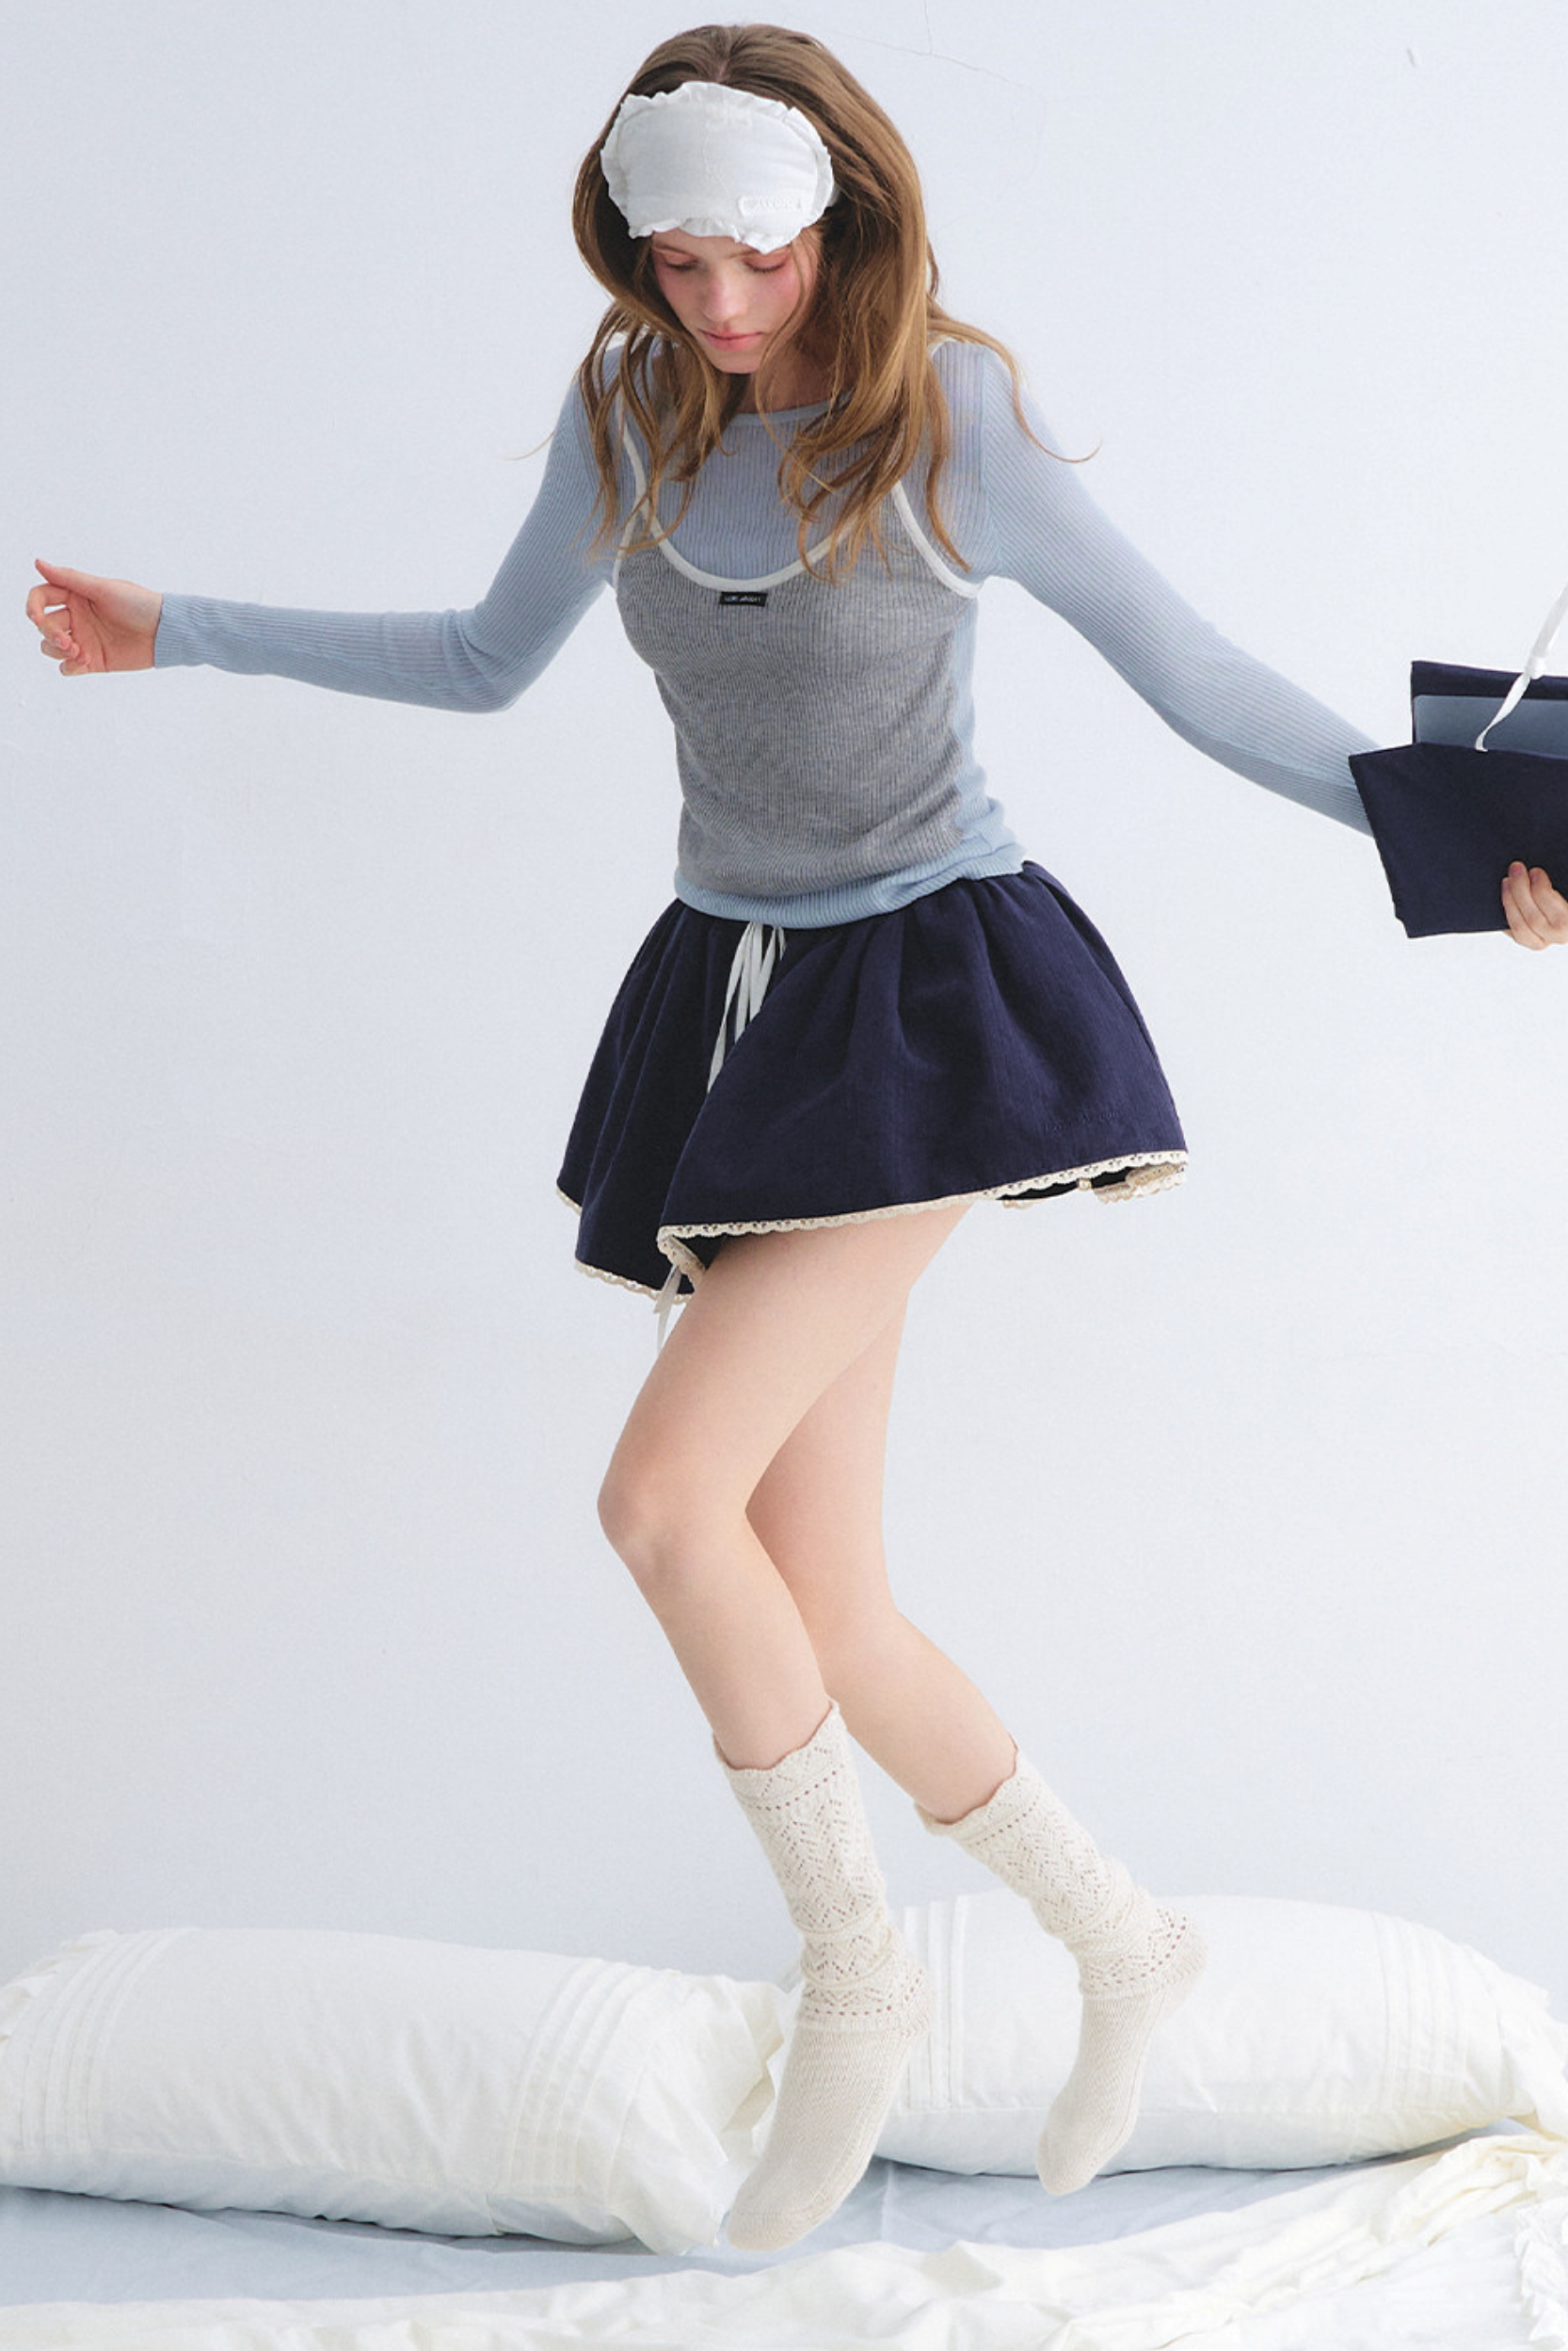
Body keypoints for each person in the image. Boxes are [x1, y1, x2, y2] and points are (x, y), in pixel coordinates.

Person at [25, 21, 1568, 2258]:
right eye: (676, 264)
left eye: (755, 259)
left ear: (837, 221)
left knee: (662, 1499)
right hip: (740, 999)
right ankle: (1121, 1938)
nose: (722, 302)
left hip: (931, 1004)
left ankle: (852, 1978)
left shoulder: (951, 416)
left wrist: (1468, 856)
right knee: (824, 1597)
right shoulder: (629, 411)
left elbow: (1194, 671)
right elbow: (479, 660)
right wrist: (176, 630)